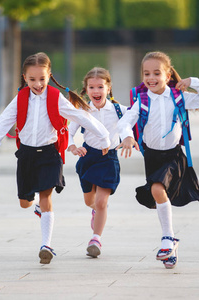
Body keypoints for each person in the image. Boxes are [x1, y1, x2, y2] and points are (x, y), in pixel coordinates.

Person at [0, 52, 110, 265]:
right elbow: (2, 123)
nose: (38, 84)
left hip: (50, 154)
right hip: (27, 155)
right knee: (24, 203)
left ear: (49, 76)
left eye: (42, 79)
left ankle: (46, 245)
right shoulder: (19, 99)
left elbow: (81, 116)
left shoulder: (56, 98)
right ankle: (35, 202)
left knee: (47, 197)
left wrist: (103, 136)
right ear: (24, 78)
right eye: (32, 79)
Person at [116, 51, 199, 269]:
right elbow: (126, 121)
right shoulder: (142, 100)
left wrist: (193, 82)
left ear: (167, 75)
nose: (151, 78)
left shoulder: (178, 96)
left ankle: (167, 238)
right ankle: (171, 246)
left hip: (173, 156)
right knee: (158, 193)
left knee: (157, 189)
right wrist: (127, 136)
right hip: (152, 157)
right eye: (146, 73)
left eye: (156, 73)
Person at [67, 67, 127, 258]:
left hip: (108, 159)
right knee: (90, 202)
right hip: (88, 158)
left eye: (100, 87)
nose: (96, 91)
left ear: (108, 88)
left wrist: (129, 138)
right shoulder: (82, 110)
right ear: (86, 89)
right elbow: (69, 132)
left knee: (101, 202)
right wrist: (73, 147)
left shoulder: (119, 110)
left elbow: (131, 124)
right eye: (92, 87)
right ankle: (97, 211)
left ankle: (96, 239)